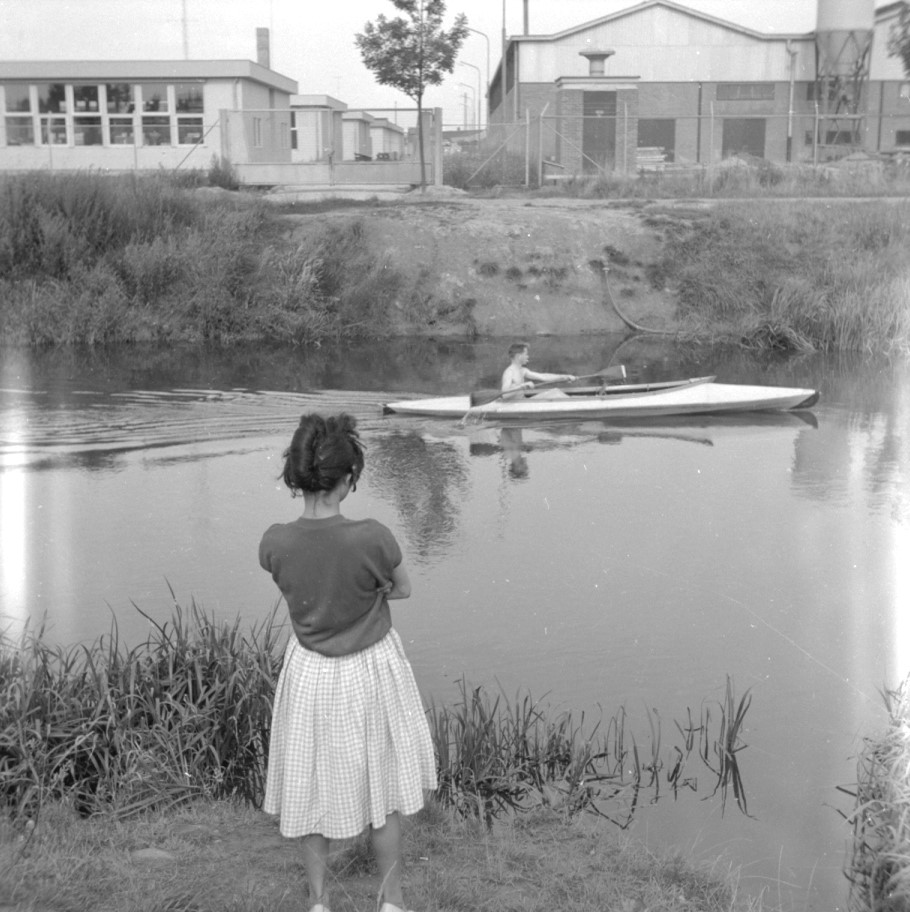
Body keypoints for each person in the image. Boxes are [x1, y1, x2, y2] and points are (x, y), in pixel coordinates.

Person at [259, 413, 437, 912]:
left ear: (295, 477)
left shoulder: (275, 542)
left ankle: (318, 902)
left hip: (309, 672)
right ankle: (392, 902)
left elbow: (299, 583)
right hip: (370, 668)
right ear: (349, 478)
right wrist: (372, 591)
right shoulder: (371, 537)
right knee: (382, 789)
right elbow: (401, 588)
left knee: (312, 784)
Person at [501, 341, 576, 399]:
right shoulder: (509, 372)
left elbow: (544, 377)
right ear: (519, 356)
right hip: (513, 405)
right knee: (556, 394)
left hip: (522, 402)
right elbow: (504, 395)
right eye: (526, 354)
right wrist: (522, 386)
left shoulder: (523, 370)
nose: (528, 357)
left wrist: (565, 377)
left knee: (555, 392)